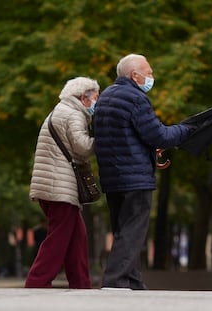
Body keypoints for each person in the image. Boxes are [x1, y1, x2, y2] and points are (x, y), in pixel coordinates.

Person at [93, 54, 193, 289]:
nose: (151, 77)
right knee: (133, 231)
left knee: (122, 229)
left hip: (112, 176)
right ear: (134, 75)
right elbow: (158, 136)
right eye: (148, 73)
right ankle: (115, 280)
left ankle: (133, 281)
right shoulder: (136, 99)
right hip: (134, 176)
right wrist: (186, 130)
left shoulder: (106, 97)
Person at [25, 77, 100, 289]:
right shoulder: (73, 114)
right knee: (58, 238)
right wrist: (104, 139)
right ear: (83, 98)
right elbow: (83, 147)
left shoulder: (61, 110)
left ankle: (81, 284)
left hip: (53, 185)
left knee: (76, 237)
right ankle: (37, 282)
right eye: (95, 98)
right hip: (59, 187)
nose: (97, 102)